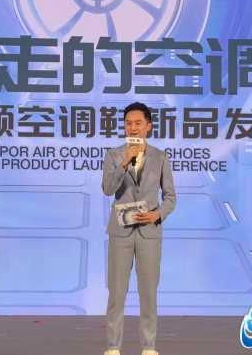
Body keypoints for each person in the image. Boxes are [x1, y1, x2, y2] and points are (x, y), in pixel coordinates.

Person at [101, 102, 177, 355]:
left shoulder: (161, 157)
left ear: (148, 126)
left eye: (138, 123)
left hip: (149, 232)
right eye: (128, 123)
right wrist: (124, 163)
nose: (132, 128)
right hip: (120, 231)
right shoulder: (113, 155)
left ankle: (149, 347)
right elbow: (108, 189)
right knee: (116, 293)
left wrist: (158, 214)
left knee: (148, 293)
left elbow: (170, 197)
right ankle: (113, 347)